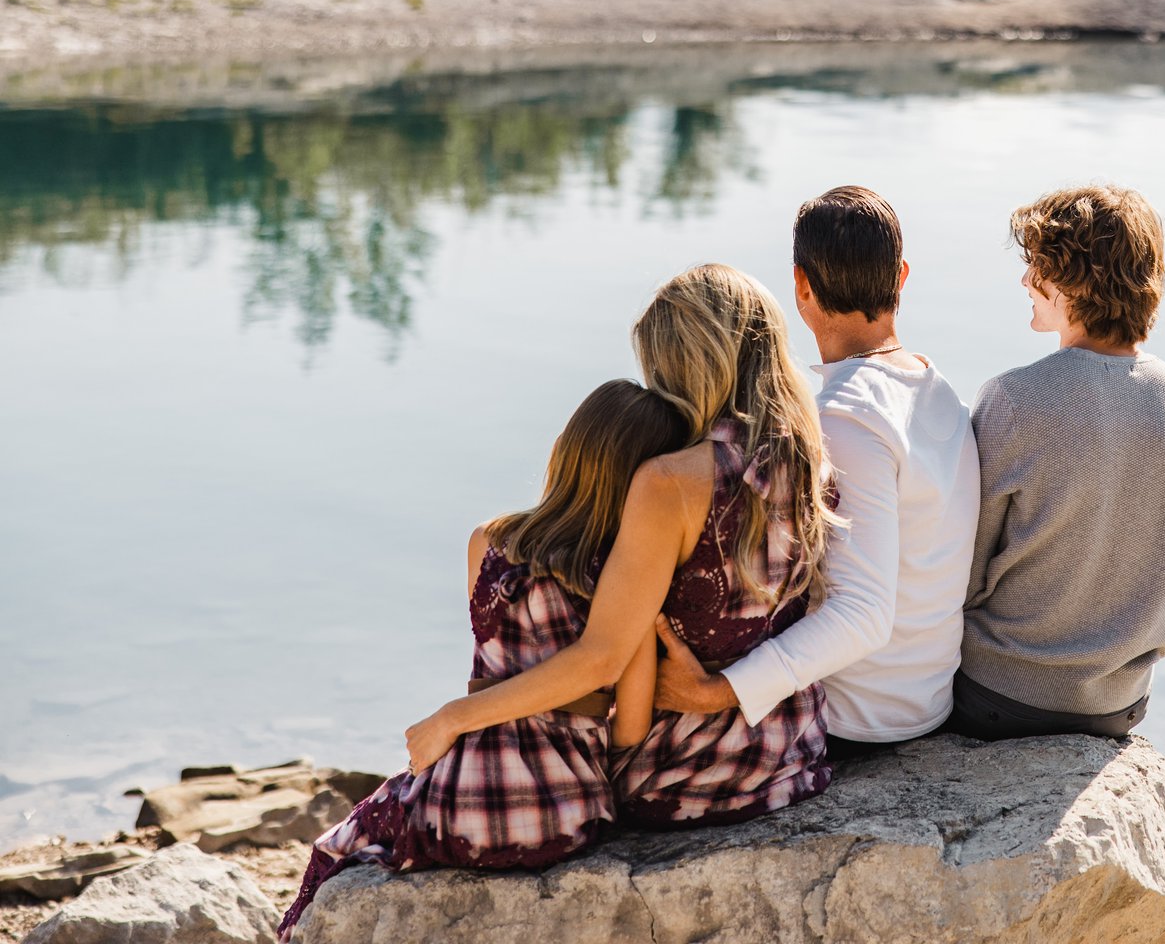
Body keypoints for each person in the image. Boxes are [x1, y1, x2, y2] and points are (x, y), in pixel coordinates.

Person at [279, 379, 687, 940]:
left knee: (342, 843)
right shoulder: (627, 579)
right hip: (568, 814)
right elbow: (632, 725)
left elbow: (485, 669)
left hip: (463, 804)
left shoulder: (490, 542)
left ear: (566, 449)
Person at [653, 186, 981, 760]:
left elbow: (863, 614)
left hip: (855, 718)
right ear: (901, 276)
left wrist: (718, 693)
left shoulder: (846, 416)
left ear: (802, 286)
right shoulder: (936, 391)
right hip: (925, 698)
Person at [952, 184, 1165, 742]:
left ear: (1076, 281)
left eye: (1036, 266)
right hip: (1119, 706)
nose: (1025, 280)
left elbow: (963, 572)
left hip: (998, 696)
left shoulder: (1013, 399)